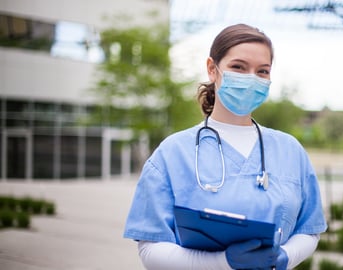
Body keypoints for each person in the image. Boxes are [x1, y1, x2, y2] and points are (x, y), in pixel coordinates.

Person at [123, 23, 327, 270]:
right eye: (238, 67)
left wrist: (285, 256)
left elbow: (309, 230)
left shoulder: (290, 150)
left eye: (262, 71)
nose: (251, 79)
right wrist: (222, 262)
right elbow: (150, 248)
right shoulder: (173, 153)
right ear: (212, 69)